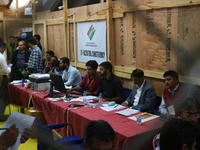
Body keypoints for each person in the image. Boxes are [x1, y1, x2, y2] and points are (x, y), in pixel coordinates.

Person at [0, 41, 11, 121]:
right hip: (2, 78)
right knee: (2, 96)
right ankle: (1, 116)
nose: (4, 50)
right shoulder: (1, 56)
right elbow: (5, 70)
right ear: (2, 47)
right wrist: (9, 68)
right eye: (4, 49)